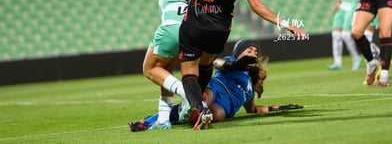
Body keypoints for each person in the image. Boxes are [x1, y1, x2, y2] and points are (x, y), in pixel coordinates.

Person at [177, 0, 307, 130]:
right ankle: (199, 107)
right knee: (205, 65)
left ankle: (201, 109)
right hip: (219, 29)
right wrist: (286, 24)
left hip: (195, 22)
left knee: (189, 73)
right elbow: (256, 6)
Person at [110, 0, 202, 129]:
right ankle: (163, 119)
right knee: (165, 71)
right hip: (196, 26)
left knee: (150, 68)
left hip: (172, 23)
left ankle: (187, 94)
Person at [128, 39, 302, 132]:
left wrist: (278, 108)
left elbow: (253, 110)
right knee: (203, 98)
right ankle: (150, 121)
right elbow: (217, 62)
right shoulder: (232, 61)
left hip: (225, 106)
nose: (253, 53)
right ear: (239, 53)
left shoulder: (252, 83)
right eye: (248, 50)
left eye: (255, 52)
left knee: (216, 115)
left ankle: (190, 111)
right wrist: (233, 65)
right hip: (215, 88)